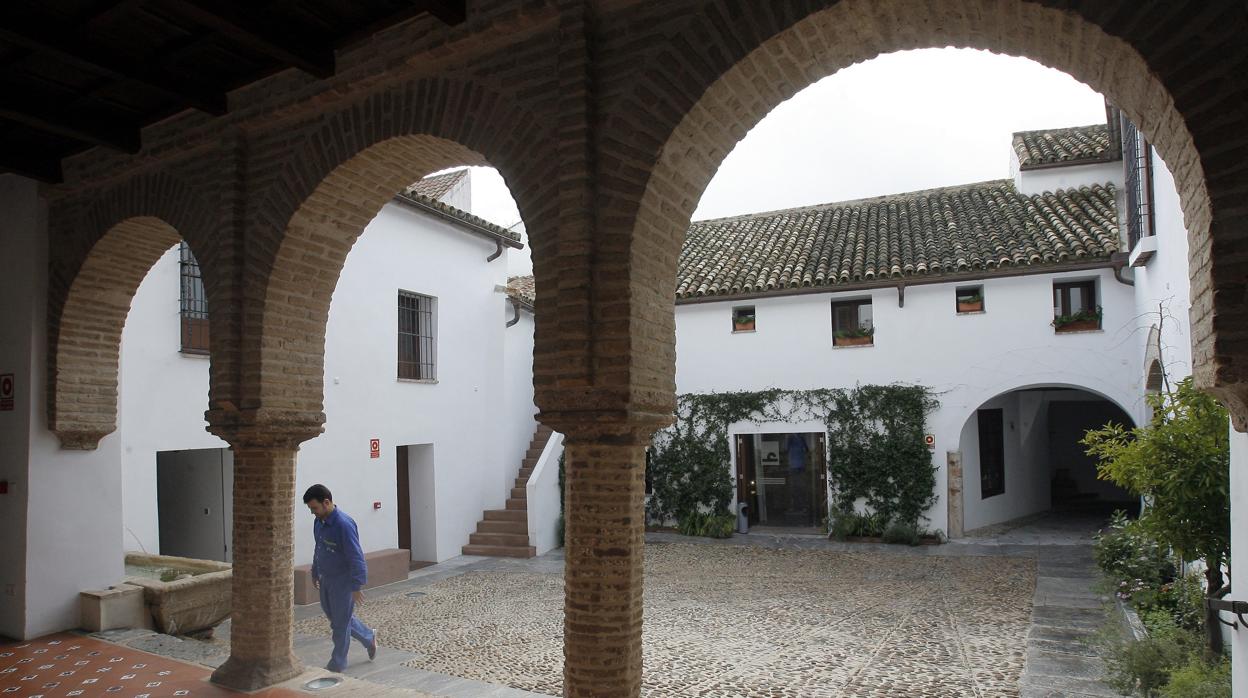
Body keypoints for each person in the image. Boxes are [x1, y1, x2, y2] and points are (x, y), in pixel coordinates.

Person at [304, 484, 378, 672]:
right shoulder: (318, 522)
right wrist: (315, 571)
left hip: (343, 582)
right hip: (326, 578)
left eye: (314, 508)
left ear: (326, 502)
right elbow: (318, 547)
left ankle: (337, 663)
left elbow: (356, 555)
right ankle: (368, 637)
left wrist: (356, 585)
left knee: (340, 624)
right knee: (338, 618)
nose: (313, 513)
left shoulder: (344, 524)